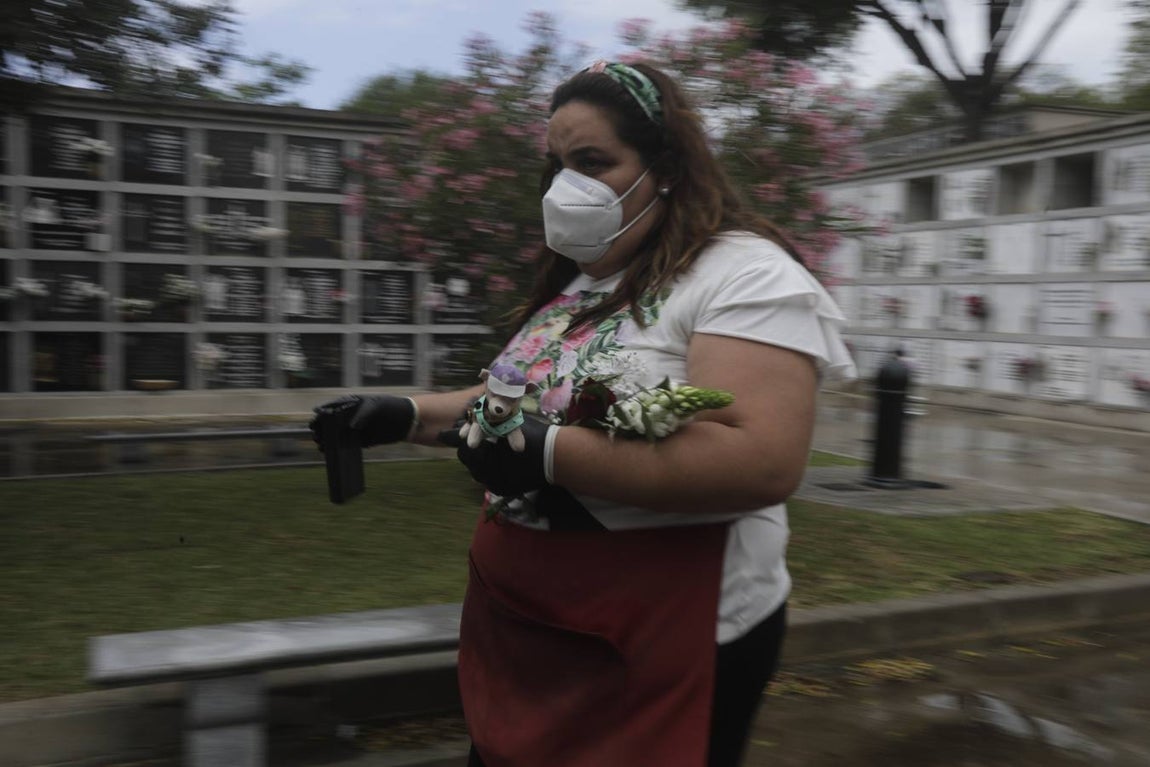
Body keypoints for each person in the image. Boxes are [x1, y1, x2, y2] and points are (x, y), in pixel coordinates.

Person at [312, 60, 855, 767]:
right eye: (559, 163)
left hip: (660, 638)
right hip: (527, 630)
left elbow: (761, 458)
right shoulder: (584, 284)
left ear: (663, 165)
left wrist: (546, 454)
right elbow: (514, 405)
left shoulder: (744, 274)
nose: (567, 183)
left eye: (592, 161)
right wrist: (403, 413)